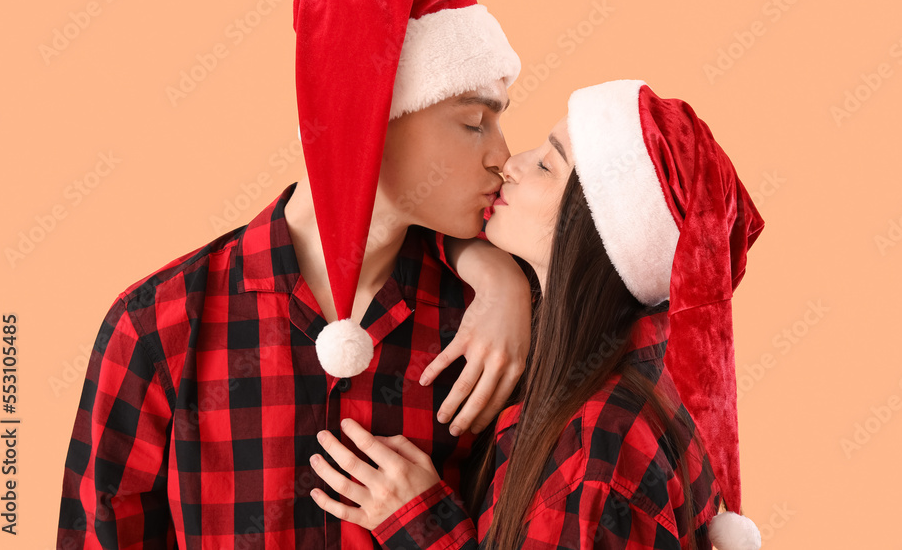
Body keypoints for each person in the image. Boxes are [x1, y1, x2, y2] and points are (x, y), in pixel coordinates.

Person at [55, 0, 536, 549]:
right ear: (370, 119)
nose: (504, 155)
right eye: (474, 121)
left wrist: (508, 283)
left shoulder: (487, 330)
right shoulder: (156, 327)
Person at [307, 79, 767, 549]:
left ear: (592, 232)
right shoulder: (591, 379)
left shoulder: (599, 446)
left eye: (548, 165)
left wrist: (421, 522)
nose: (512, 165)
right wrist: (496, 281)